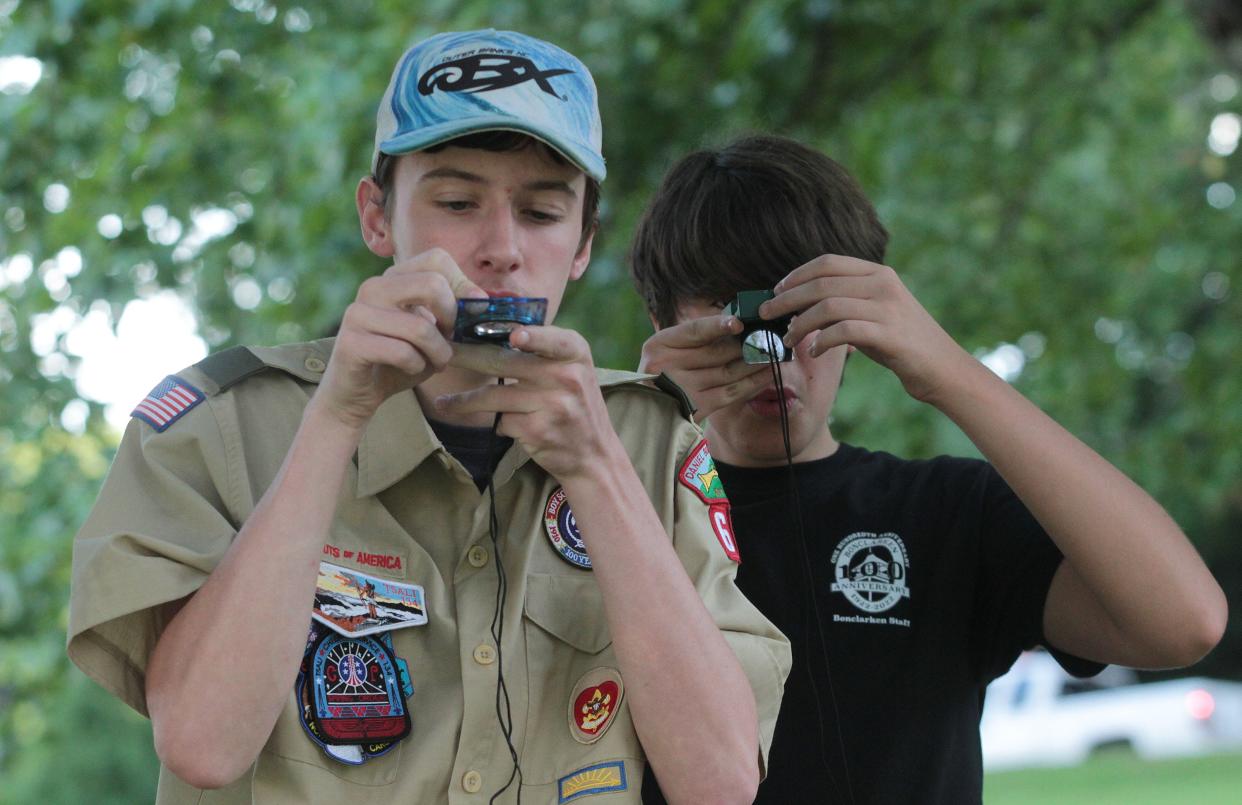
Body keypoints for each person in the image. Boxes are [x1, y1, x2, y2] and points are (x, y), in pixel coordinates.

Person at [67, 31, 790, 804]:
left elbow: (719, 781)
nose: (502, 248)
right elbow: (201, 744)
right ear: (377, 217)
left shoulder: (647, 441)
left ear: (583, 244)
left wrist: (595, 467)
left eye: (542, 211)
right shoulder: (217, 427)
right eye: (456, 202)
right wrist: (337, 416)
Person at [629, 134, 1227, 803]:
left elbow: (1186, 621)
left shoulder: (943, 510)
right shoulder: (608, 507)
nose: (779, 353)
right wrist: (642, 429)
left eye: (803, 311)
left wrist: (944, 368)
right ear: (663, 319)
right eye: (741, 315)